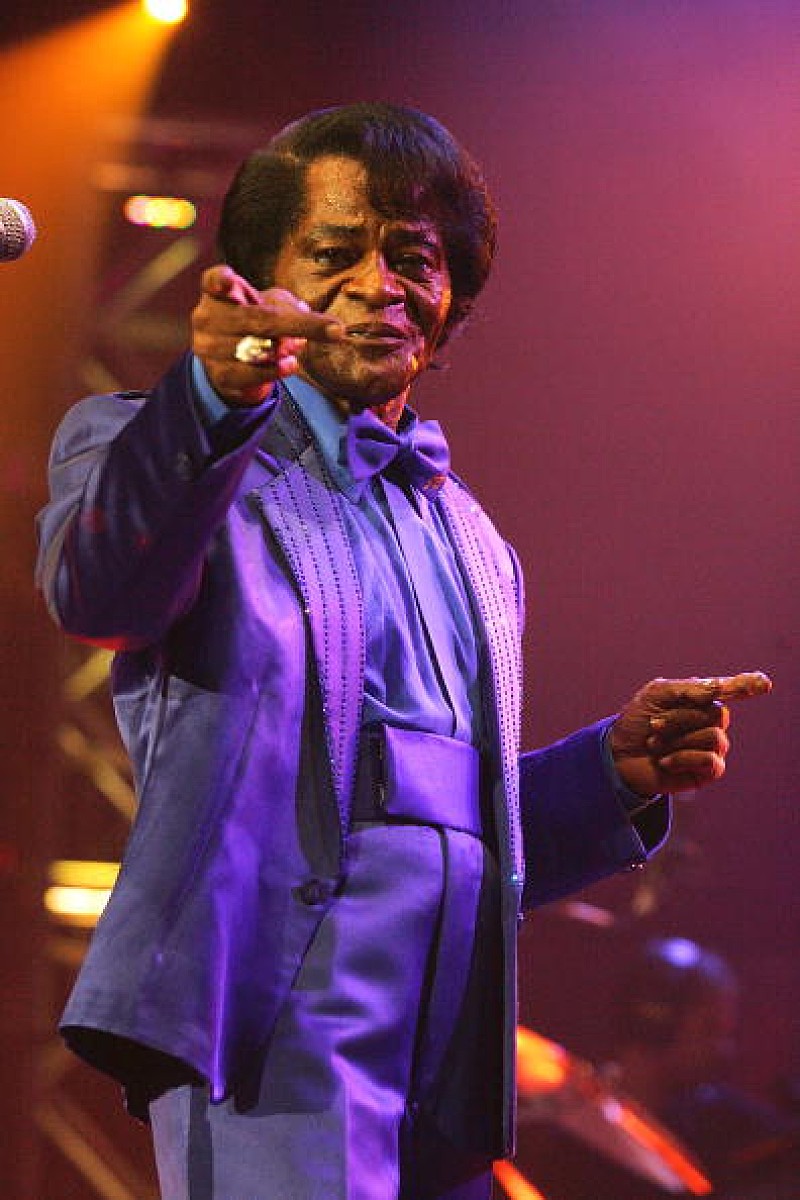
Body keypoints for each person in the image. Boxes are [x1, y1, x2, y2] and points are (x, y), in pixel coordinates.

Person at [35, 102, 771, 1200]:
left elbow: (449, 826)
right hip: (270, 1032)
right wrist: (207, 400)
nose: (378, 284)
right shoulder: (158, 446)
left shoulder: (469, 539)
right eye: (334, 253)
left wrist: (610, 774)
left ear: (450, 294)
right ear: (263, 284)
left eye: (413, 258)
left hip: (446, 1062)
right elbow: (99, 589)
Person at [608, 936, 799, 1190]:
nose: (724, 1049)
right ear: (654, 1024)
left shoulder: (720, 1122)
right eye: (710, 1029)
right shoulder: (576, 1123)